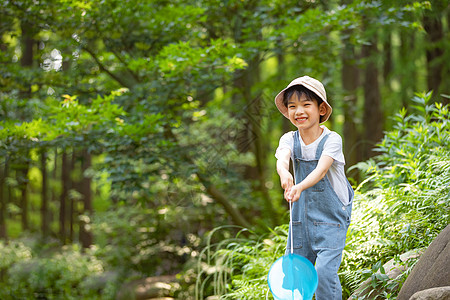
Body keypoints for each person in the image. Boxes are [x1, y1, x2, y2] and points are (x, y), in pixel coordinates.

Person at [274, 76, 354, 300]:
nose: (298, 111)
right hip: (300, 223)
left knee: (323, 273)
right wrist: (284, 173)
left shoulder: (332, 140)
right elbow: (282, 158)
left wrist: (298, 186)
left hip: (331, 221)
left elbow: (320, 171)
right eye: (292, 106)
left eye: (306, 104)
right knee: (296, 278)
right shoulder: (289, 139)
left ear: (321, 109)